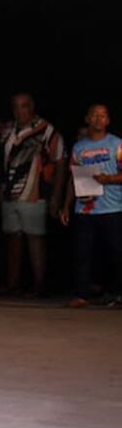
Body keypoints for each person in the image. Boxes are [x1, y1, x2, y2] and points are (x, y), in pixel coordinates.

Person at [1, 93, 63, 297]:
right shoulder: (8, 129)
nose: (20, 111)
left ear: (32, 107)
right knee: (13, 238)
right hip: (10, 193)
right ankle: (13, 284)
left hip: (34, 193)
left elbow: (60, 161)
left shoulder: (46, 129)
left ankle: (39, 284)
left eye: (24, 106)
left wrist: (55, 195)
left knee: (34, 238)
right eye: (16, 107)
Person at [60, 104, 122, 307]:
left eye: (102, 115)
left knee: (115, 252)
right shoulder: (79, 147)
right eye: (94, 115)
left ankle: (116, 292)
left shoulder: (117, 144)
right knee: (83, 253)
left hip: (112, 207)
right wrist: (67, 205)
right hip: (85, 208)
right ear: (87, 119)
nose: (98, 119)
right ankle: (82, 294)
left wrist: (110, 178)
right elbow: (72, 178)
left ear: (108, 120)